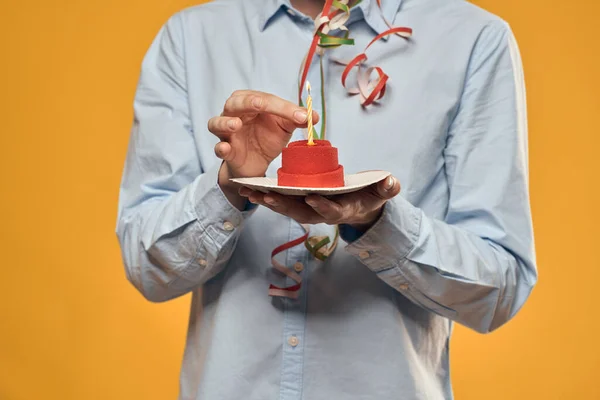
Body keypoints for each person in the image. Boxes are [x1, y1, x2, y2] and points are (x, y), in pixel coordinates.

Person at [116, 0, 537, 398]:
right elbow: (147, 269)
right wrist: (227, 187)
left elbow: (500, 289)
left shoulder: (473, 40)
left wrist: (380, 225)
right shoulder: (191, 38)